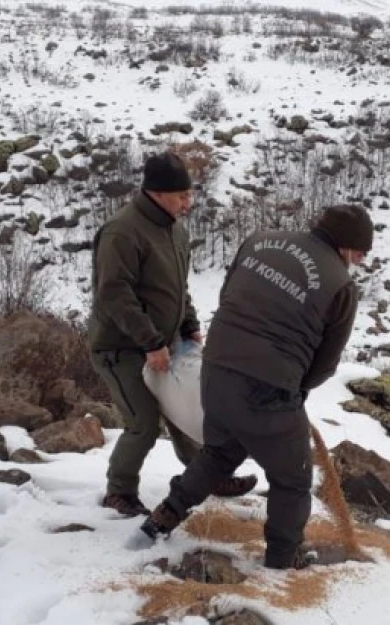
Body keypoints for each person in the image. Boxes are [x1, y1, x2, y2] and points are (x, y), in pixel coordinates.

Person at [136, 204, 373, 570]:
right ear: (346, 245)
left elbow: (229, 295)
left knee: (220, 452)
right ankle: (283, 558)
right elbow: (327, 361)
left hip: (215, 368)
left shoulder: (260, 241)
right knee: (293, 478)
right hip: (269, 386)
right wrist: (294, 390)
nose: (358, 261)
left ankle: (165, 515)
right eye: (360, 252)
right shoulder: (340, 285)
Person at [88, 151, 258, 517]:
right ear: (157, 192)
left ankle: (208, 476)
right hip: (121, 349)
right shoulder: (122, 232)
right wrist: (150, 342)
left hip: (166, 342)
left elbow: (177, 288)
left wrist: (190, 324)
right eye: (181, 196)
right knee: (143, 424)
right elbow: (115, 296)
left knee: (190, 411)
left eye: (189, 194)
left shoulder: (174, 230)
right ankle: (119, 491)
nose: (188, 203)